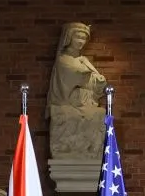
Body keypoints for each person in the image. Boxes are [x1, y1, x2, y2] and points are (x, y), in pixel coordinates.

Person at [46, 22, 108, 160]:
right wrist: (89, 77)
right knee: (75, 116)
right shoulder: (63, 59)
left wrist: (98, 81)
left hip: (85, 102)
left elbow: (93, 80)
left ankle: (91, 149)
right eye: (77, 37)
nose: (81, 42)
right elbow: (78, 76)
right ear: (69, 38)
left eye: (84, 38)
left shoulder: (83, 60)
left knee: (99, 114)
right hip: (69, 100)